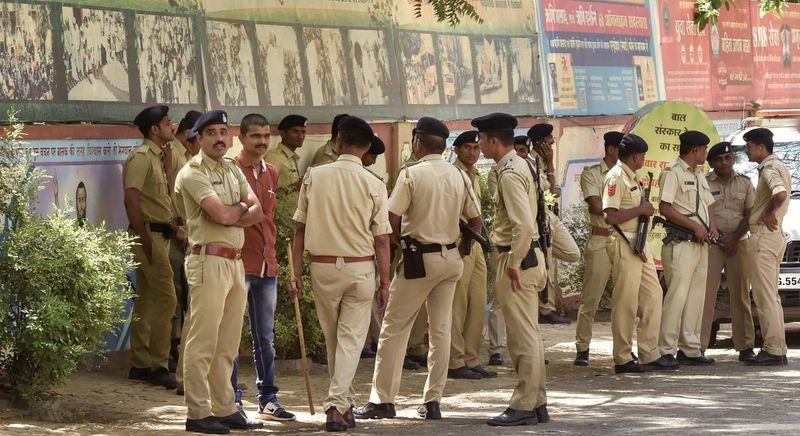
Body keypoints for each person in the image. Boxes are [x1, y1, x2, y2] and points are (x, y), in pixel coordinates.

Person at [356, 117, 481, 421]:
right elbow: (476, 221)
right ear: (444, 146)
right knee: (440, 330)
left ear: (417, 142)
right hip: (451, 259)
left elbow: (391, 219)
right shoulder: (458, 174)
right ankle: (433, 400)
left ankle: (383, 399)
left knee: (393, 328)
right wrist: (461, 248)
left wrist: (400, 245)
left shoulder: (411, 173)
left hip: (419, 260)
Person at [290, 115, 392, 432]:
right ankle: (337, 405)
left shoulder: (314, 176)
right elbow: (382, 239)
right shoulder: (374, 183)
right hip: (360, 268)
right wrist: (386, 281)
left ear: (337, 142)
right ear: (366, 147)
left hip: (322, 267)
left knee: (335, 339)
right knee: (349, 341)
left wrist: (295, 271)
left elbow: (299, 229)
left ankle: (342, 405)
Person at [174, 110, 264, 434]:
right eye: (211, 133)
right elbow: (221, 215)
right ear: (198, 138)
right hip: (207, 261)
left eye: (223, 132)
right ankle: (197, 412)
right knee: (203, 341)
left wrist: (234, 211)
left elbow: (258, 211)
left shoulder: (232, 169)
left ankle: (225, 407)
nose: (219, 138)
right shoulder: (192, 172)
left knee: (227, 342)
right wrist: (239, 210)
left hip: (235, 262)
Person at [471, 113, 547, 427]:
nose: (478, 144)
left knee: (521, 338)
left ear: (493, 140)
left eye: (481, 138)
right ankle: (537, 402)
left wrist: (514, 262)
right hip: (527, 257)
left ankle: (525, 404)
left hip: (518, 259)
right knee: (529, 334)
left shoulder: (509, 172)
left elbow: (523, 226)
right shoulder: (519, 165)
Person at [229, 113, 296, 421]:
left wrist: (274, 259)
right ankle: (231, 400)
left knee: (265, 338)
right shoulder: (230, 171)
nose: (262, 141)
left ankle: (268, 399)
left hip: (267, 266)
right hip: (237, 263)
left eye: (266, 136)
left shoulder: (272, 172)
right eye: (256, 136)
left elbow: (268, 218)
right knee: (231, 336)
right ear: (241, 138)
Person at [602, 133, 675, 374]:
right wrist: (640, 210)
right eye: (642, 155)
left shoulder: (632, 176)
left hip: (639, 244)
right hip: (624, 243)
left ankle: (649, 353)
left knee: (653, 295)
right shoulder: (616, 176)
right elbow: (610, 216)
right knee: (626, 303)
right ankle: (622, 358)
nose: (643, 159)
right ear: (635, 156)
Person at [123, 105, 179, 389]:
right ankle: (159, 365)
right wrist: (142, 236)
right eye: (168, 123)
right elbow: (131, 198)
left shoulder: (159, 156)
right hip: (148, 235)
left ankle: (141, 364)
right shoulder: (141, 156)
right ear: (155, 129)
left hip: (160, 235)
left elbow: (163, 198)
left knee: (146, 299)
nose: (173, 126)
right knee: (167, 299)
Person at [657, 131, 717, 366]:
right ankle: (665, 350)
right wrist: (695, 227)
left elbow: (709, 205)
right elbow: (665, 208)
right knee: (677, 297)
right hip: (681, 243)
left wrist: (712, 228)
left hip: (701, 244)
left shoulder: (699, 173)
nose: (706, 154)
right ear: (695, 151)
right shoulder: (672, 172)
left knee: (696, 298)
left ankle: (690, 349)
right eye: (704, 150)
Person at [700, 142, 756, 360]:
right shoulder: (703, 182)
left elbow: (750, 213)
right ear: (711, 162)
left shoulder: (745, 182)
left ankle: (745, 346)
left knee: (741, 294)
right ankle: (698, 347)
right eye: (719, 159)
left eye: (728, 158)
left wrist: (734, 237)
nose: (724, 163)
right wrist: (718, 236)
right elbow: (700, 212)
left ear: (733, 159)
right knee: (705, 295)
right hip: (711, 244)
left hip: (738, 243)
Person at [447, 130, 495, 380]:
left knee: (477, 302)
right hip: (459, 241)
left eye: (476, 148)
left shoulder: (475, 174)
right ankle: (455, 361)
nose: (472, 152)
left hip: (475, 242)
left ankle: (470, 358)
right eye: (467, 147)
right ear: (456, 150)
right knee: (458, 304)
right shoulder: (452, 173)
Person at [573, 131, 622, 366]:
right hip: (601, 239)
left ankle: (623, 350)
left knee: (624, 299)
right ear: (611, 149)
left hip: (623, 240)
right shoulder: (592, 173)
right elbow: (596, 206)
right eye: (622, 148)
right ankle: (582, 347)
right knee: (590, 298)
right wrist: (626, 212)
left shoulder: (627, 175)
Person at [743, 127, 790, 366]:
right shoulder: (779, 165)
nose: (747, 151)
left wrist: (770, 212)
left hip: (764, 237)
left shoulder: (769, 168)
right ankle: (777, 347)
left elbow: (779, 194)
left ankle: (773, 349)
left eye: (749, 146)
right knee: (771, 296)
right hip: (773, 237)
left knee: (764, 297)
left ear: (761, 147)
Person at [526, 124, 572, 325]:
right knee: (547, 264)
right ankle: (546, 309)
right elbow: (550, 193)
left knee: (572, 253)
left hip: (550, 216)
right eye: (549, 139)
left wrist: (551, 165)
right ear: (539, 143)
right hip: (539, 218)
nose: (553, 141)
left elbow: (554, 193)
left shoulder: (544, 161)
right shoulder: (532, 162)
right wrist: (550, 165)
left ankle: (545, 306)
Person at [265, 114, 307, 192]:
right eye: (295, 131)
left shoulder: (291, 157)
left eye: (303, 132)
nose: (300, 136)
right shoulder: (274, 158)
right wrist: (296, 187)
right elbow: (267, 192)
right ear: (282, 133)